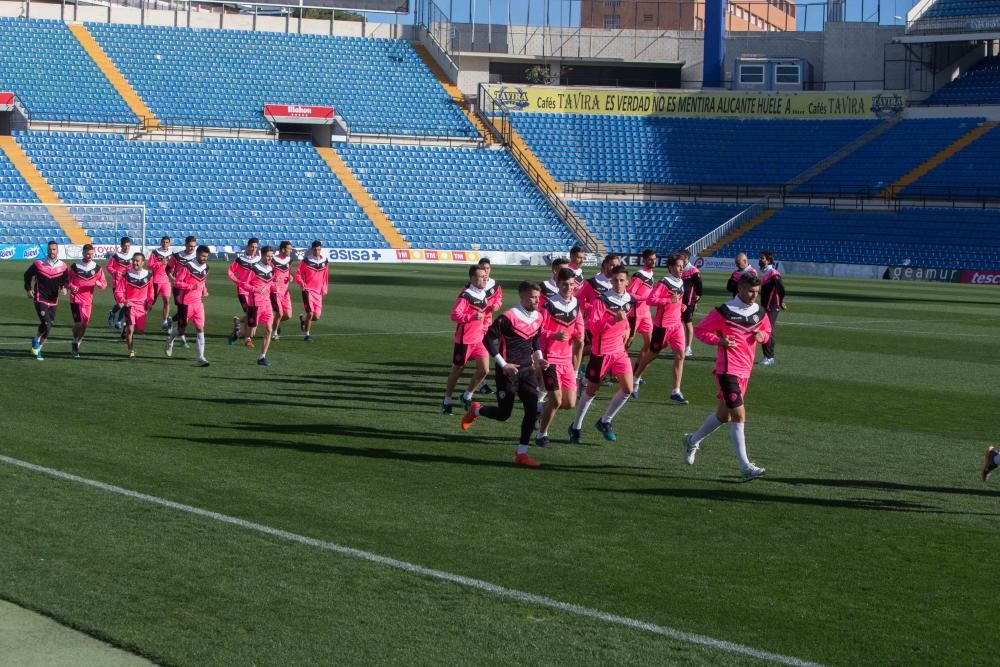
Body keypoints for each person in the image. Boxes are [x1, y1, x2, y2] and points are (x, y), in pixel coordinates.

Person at [681, 272, 772, 480]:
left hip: (745, 371)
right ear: (739, 288)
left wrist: (763, 336)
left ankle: (692, 440)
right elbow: (702, 330)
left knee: (724, 415)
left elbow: (767, 331)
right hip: (727, 370)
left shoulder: (760, 312)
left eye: (756, 292)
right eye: (750, 291)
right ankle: (745, 466)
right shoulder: (724, 311)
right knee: (739, 416)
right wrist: (719, 341)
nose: (753, 296)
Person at [461, 281, 545, 468]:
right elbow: (487, 338)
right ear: (522, 297)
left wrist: (539, 357)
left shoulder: (538, 316)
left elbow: (536, 338)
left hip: (527, 370)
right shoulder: (509, 316)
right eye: (532, 297)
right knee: (503, 414)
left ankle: (521, 453)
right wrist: (503, 364)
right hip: (507, 372)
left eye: (538, 297)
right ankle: (476, 410)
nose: (536, 301)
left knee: (532, 410)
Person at [569, 265, 635, 443]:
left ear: (627, 282)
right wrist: (614, 319)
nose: (619, 283)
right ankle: (575, 427)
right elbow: (594, 328)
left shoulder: (630, 299)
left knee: (628, 388)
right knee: (591, 391)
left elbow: (626, 319)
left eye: (622, 280)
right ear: (611, 281)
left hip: (619, 351)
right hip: (601, 352)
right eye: (615, 280)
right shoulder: (602, 300)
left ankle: (605, 421)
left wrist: (627, 329)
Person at [536, 268, 584, 447]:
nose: (569, 288)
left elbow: (578, 326)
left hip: (567, 359)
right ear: (558, 284)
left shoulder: (576, 304)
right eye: (565, 285)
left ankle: (539, 409)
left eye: (572, 284)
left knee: (569, 403)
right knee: (556, 400)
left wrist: (579, 334)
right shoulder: (549, 305)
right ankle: (542, 435)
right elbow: (538, 331)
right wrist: (552, 335)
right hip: (551, 359)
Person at [632, 253, 689, 404]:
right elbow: (651, 300)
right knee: (651, 354)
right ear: (670, 267)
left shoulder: (680, 282)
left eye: (682, 266)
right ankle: (636, 379)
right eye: (678, 266)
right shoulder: (664, 282)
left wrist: (680, 305)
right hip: (663, 326)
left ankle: (676, 391)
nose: (681, 268)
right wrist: (668, 300)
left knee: (680, 355)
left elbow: (678, 299)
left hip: (677, 325)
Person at [441, 264, 491, 415]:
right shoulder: (466, 295)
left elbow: (484, 314)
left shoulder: (483, 293)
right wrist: (471, 317)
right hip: (464, 340)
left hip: (479, 339)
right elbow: (454, 315)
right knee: (457, 371)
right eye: (481, 276)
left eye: (485, 276)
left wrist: (485, 324)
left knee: (484, 370)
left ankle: (467, 395)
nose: (484, 278)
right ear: (472, 278)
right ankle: (446, 400)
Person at [165, 245, 211, 367]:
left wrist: (204, 289)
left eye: (206, 256)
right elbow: (177, 283)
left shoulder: (206, 268)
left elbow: (203, 281)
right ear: (197, 254)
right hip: (185, 303)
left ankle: (201, 357)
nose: (204, 258)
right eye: (202, 256)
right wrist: (191, 287)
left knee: (200, 328)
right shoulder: (188, 267)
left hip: (198, 303)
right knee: (181, 330)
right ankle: (170, 341)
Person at [24, 240, 68, 361]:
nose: (52, 251)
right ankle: (36, 343)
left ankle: (38, 348)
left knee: (49, 327)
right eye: (50, 249)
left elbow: (66, 280)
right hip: (40, 297)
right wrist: (28, 290)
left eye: (54, 249)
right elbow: (27, 275)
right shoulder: (38, 263)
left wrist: (64, 288)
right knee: (46, 323)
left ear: (57, 251)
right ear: (47, 250)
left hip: (53, 300)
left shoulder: (63, 266)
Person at [236, 245, 277, 366]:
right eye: (268, 256)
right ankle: (237, 333)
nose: (270, 259)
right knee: (251, 333)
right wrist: (255, 289)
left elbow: (270, 284)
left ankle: (262, 357)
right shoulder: (254, 269)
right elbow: (243, 284)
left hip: (267, 304)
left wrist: (275, 286)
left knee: (269, 330)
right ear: (262, 255)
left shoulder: (271, 270)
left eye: (271, 256)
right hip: (255, 305)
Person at [66, 243, 107, 358]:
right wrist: (71, 286)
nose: (90, 256)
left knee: (84, 325)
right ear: (83, 253)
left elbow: (104, 284)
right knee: (78, 323)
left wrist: (99, 284)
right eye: (88, 254)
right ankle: (74, 340)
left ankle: (77, 344)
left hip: (88, 301)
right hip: (75, 299)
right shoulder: (75, 266)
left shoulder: (97, 268)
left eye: (91, 254)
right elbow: (66, 281)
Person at [114, 252, 155, 358]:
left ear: (143, 262)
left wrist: (150, 302)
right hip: (130, 305)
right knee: (131, 329)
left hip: (142, 307)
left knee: (140, 330)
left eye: (137, 261)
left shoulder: (149, 275)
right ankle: (131, 350)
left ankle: (125, 329)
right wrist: (123, 300)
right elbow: (118, 291)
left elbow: (151, 290)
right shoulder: (126, 276)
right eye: (133, 260)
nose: (135, 263)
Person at [474, 257, 503, 395]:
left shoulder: (495, 285)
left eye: (487, 268)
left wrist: (496, 305)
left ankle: (482, 383)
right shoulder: (473, 285)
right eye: (482, 268)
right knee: (482, 352)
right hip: (475, 323)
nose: (485, 271)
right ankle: (482, 383)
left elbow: (499, 299)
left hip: (487, 322)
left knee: (484, 351)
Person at [626, 249, 656, 372]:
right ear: (644, 260)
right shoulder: (639, 275)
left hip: (646, 314)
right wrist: (646, 298)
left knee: (649, 343)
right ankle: (614, 369)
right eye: (651, 259)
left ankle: (636, 371)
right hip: (635, 313)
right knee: (627, 343)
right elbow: (629, 294)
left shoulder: (650, 273)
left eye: (654, 259)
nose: (653, 261)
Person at [166, 235, 198, 349]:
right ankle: (182, 338)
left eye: (193, 246)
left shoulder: (197, 257)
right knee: (182, 310)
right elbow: (168, 268)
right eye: (190, 246)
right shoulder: (177, 256)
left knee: (187, 311)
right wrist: (172, 277)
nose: (191, 249)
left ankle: (171, 320)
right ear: (185, 245)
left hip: (191, 289)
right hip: (179, 287)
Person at [227, 237, 260, 346]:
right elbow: (230, 272)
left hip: (255, 292)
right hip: (243, 291)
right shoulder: (240, 260)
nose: (253, 249)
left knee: (254, 314)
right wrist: (237, 281)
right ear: (247, 247)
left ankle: (238, 324)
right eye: (252, 247)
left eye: (255, 247)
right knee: (249, 312)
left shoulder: (259, 260)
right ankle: (247, 339)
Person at [294, 240, 329, 342]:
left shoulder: (324, 261)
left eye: (319, 249)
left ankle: (303, 320)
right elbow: (298, 274)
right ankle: (307, 335)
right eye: (315, 249)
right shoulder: (306, 261)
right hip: (307, 290)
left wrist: (324, 287)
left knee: (316, 316)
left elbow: (325, 275)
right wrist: (301, 283)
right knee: (310, 313)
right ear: (312, 249)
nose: (317, 251)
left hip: (318, 292)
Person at [757, 250, 787, 366]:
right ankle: (767, 356)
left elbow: (781, 289)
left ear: (768, 260)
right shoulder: (766, 273)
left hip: (772, 306)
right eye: (760, 258)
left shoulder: (774, 274)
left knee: (767, 330)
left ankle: (769, 357)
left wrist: (780, 301)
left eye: (762, 258)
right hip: (766, 306)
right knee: (766, 329)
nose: (760, 260)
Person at [146, 236, 174, 331]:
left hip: (166, 282)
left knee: (167, 301)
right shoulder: (155, 253)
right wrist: (160, 263)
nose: (165, 244)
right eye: (163, 242)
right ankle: (139, 318)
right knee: (150, 302)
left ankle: (165, 321)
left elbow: (174, 267)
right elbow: (149, 265)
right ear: (161, 243)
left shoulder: (172, 254)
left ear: (169, 243)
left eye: (167, 242)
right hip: (155, 281)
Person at [678, 249, 702, 357]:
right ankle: (680, 344)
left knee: (688, 323)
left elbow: (699, 287)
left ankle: (688, 347)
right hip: (677, 301)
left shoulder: (693, 271)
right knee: (678, 323)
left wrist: (696, 301)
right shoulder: (678, 269)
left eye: (681, 257)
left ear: (686, 258)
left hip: (688, 301)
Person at [105, 236, 132, 330]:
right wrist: (115, 272)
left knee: (125, 303)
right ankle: (112, 313)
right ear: (121, 246)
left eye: (128, 246)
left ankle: (119, 321)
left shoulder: (132, 257)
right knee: (121, 304)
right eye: (125, 246)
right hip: (117, 283)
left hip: (127, 284)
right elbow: (108, 267)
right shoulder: (116, 257)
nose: (127, 248)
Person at [270, 241, 295, 341]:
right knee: (279, 313)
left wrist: (291, 277)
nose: (290, 251)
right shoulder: (273, 260)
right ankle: (274, 333)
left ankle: (273, 324)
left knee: (288, 315)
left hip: (285, 292)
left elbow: (289, 272)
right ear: (283, 249)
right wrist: (273, 279)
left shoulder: (289, 260)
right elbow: (267, 272)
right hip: (275, 291)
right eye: (289, 249)